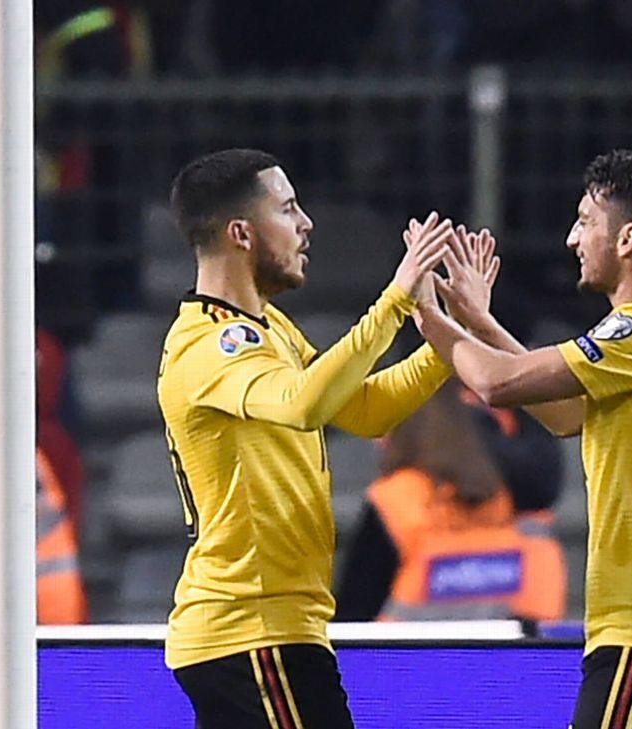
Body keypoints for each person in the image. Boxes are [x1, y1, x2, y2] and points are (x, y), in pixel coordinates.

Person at [417, 150, 632, 729]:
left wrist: (421, 307)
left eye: (586, 221)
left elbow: (495, 383)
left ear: (628, 238)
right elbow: (564, 415)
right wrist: (478, 322)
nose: (572, 238)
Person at [157, 148, 456, 729]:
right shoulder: (209, 346)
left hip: (269, 631)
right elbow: (302, 403)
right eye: (288, 208)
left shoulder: (269, 328)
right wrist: (394, 301)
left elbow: (363, 410)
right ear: (241, 233)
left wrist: (448, 342)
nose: (306, 223)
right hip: (251, 631)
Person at [333, 383, 566, 623]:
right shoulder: (507, 502)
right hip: (505, 645)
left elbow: (354, 614)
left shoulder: (395, 499)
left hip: (406, 646)